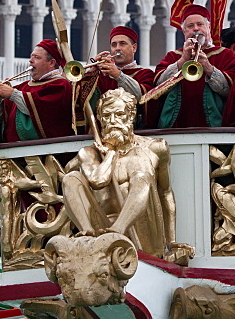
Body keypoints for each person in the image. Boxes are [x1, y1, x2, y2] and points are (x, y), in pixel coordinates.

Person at [61, 88, 188, 262]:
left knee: (141, 174)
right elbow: (98, 181)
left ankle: (119, 230)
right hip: (102, 231)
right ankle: (86, 235)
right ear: (99, 119)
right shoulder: (89, 153)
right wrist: (112, 152)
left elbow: (165, 193)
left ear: (131, 117)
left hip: (144, 234)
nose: (113, 121)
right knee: (71, 178)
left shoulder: (155, 148)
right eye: (107, 116)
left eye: (119, 115)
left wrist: (172, 242)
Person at [153, 5, 235, 128]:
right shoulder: (173, 56)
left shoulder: (226, 55)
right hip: (177, 125)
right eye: (190, 26)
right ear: (184, 31)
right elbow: (158, 88)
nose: (196, 29)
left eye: (200, 24)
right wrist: (182, 60)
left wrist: (208, 67)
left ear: (208, 28)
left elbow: (231, 92)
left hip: (214, 126)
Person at [0, 38, 74, 142]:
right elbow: (4, 119)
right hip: (12, 150)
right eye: (31, 56)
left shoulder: (61, 85)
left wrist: (12, 94)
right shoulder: (22, 86)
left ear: (51, 63)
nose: (30, 60)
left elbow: (42, 112)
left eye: (37, 57)